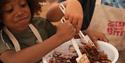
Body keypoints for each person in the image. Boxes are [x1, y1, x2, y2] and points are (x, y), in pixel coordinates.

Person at [0, 0, 85, 63]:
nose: (19, 13)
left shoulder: (39, 24)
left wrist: (71, 3)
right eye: (9, 10)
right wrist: (59, 37)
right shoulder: (2, 37)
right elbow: (13, 60)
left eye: (23, 5)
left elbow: (66, 37)